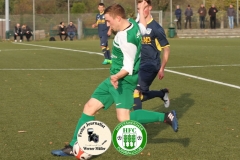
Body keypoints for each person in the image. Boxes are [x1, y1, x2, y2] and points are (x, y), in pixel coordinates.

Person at [51, 2, 178, 157]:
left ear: (118, 18)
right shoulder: (132, 24)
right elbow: (143, 25)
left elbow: (128, 67)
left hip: (123, 81)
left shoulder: (126, 39)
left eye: (109, 21)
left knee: (125, 120)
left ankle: (166, 117)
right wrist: (140, 8)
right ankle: (72, 146)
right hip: (114, 80)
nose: (107, 25)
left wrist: (116, 76)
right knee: (90, 106)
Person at [133, 0, 170, 111]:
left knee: (136, 93)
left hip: (151, 65)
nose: (141, 11)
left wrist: (162, 68)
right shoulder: (137, 26)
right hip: (138, 65)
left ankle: (137, 125)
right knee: (136, 97)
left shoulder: (156, 28)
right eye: (139, 8)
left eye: (144, 7)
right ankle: (162, 94)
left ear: (150, 8)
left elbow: (166, 49)